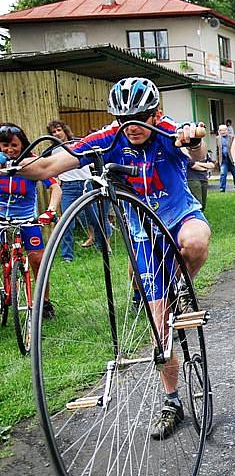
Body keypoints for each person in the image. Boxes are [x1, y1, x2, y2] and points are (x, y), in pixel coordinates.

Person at [14, 77, 211, 439]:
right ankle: (172, 401)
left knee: (196, 241)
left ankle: (184, 284)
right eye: (125, 118)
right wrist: (14, 166)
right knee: (159, 327)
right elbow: (47, 168)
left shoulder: (167, 130)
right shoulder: (108, 137)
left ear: (155, 114)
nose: (133, 126)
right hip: (142, 232)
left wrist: (194, 139)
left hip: (179, 214)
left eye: (141, 117)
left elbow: (194, 152)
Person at [0, 123, 62, 318]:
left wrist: (50, 210)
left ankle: (44, 303)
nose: (9, 150)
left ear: (23, 144)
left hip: (26, 219)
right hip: (1, 218)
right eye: (4, 145)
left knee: (38, 259)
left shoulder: (33, 162)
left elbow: (55, 187)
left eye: (14, 145)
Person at [47, 120, 110, 260]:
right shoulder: (52, 151)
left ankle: (104, 249)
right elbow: (50, 169)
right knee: (66, 222)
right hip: (68, 188)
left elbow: (94, 161)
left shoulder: (79, 144)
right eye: (53, 132)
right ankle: (67, 256)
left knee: (95, 219)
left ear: (65, 130)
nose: (57, 134)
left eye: (59, 130)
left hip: (86, 184)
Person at [216, 124, 235, 193]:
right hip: (223, 160)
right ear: (219, 131)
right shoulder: (218, 138)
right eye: (221, 130)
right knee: (223, 174)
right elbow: (217, 150)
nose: (223, 132)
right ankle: (222, 189)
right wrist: (217, 160)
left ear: (227, 130)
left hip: (231, 159)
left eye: (224, 130)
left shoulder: (232, 137)